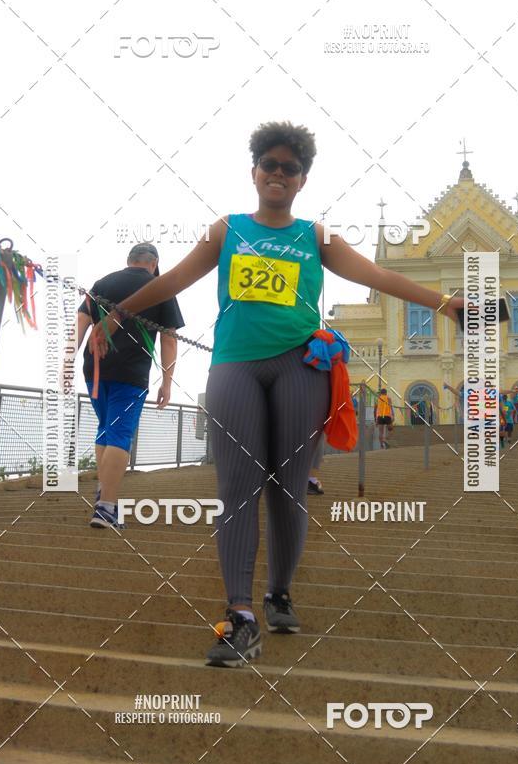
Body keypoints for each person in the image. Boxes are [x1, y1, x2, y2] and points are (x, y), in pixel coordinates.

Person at [94, 121, 464, 668]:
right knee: (237, 487)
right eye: (269, 163)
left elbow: (380, 275)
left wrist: (448, 304)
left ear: (302, 180)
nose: (278, 173)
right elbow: (173, 280)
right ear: (254, 172)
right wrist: (117, 313)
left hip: (300, 368)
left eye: (289, 167)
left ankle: (279, 591)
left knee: (288, 489)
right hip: (234, 369)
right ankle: (241, 615)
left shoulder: (318, 237)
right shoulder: (226, 230)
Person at [77, 243, 184, 528]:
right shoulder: (160, 287)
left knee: (107, 429)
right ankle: (106, 508)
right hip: (131, 372)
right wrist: (167, 381)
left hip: (95, 368)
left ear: (129, 260)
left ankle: (104, 490)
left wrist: (69, 358)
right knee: (120, 434)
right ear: (154, 263)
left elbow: (82, 321)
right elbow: (169, 338)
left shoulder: (103, 282)